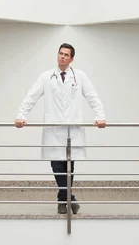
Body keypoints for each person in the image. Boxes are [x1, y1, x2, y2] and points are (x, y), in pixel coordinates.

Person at [15, 43, 106, 215]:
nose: (62, 57)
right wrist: (21, 115)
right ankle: (69, 198)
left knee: (69, 167)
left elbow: (93, 97)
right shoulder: (46, 76)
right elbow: (31, 96)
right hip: (54, 130)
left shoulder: (80, 76)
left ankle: (63, 200)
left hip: (73, 130)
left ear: (71, 59)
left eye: (66, 55)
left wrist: (100, 116)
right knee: (57, 167)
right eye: (60, 54)